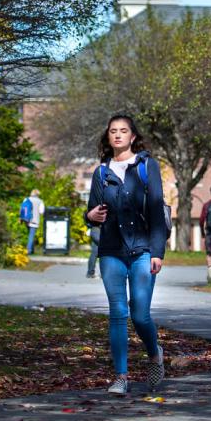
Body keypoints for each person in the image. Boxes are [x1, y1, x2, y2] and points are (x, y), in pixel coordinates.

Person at [85, 114, 169, 395]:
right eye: (113, 131)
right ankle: (121, 377)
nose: (118, 135)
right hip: (111, 252)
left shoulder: (147, 166)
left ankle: (154, 354)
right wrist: (91, 215)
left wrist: (158, 252)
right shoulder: (101, 172)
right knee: (118, 313)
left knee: (140, 315)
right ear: (108, 137)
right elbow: (92, 210)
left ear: (133, 136)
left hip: (144, 251)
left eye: (123, 131)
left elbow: (157, 210)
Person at [21, 189, 45, 255]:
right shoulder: (40, 201)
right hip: (34, 220)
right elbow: (41, 212)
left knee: (30, 235)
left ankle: (32, 250)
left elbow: (22, 209)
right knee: (31, 235)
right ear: (38, 194)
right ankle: (28, 251)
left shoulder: (26, 199)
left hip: (26, 220)